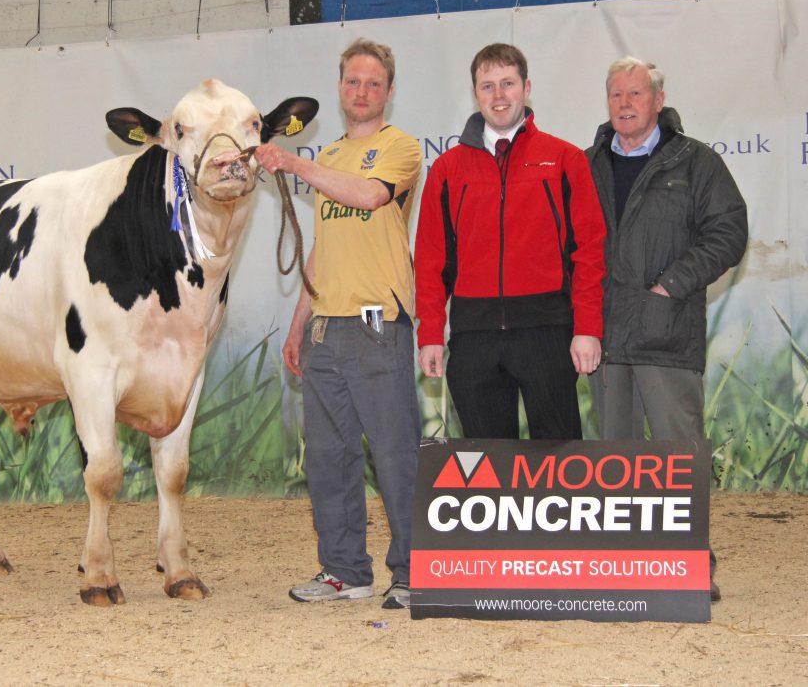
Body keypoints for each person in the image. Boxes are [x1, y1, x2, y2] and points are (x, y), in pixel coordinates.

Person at [255, 38, 422, 610]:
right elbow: (323, 246)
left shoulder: (400, 148)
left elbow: (371, 197)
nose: (362, 91)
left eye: (374, 83)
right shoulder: (326, 156)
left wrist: (293, 161)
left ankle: (412, 572)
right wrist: (301, 322)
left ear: (389, 92)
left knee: (395, 452)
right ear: (340, 87)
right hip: (328, 326)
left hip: (380, 324)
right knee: (329, 456)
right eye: (353, 81)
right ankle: (344, 570)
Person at [585, 56, 748, 601]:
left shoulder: (696, 161)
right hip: (604, 338)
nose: (625, 103)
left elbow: (728, 231)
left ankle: (692, 566)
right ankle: (624, 568)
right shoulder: (586, 165)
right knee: (612, 461)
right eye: (616, 95)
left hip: (666, 334)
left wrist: (671, 284)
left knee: (679, 457)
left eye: (636, 93)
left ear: (659, 100)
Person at [414, 43, 606, 440]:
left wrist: (587, 327)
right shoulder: (447, 170)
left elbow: (589, 251)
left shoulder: (565, 159)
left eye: (507, 84)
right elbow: (431, 259)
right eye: (487, 86)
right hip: (473, 337)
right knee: (486, 463)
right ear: (475, 94)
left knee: (558, 461)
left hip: (547, 331)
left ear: (526, 87)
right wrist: (431, 333)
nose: (498, 96)